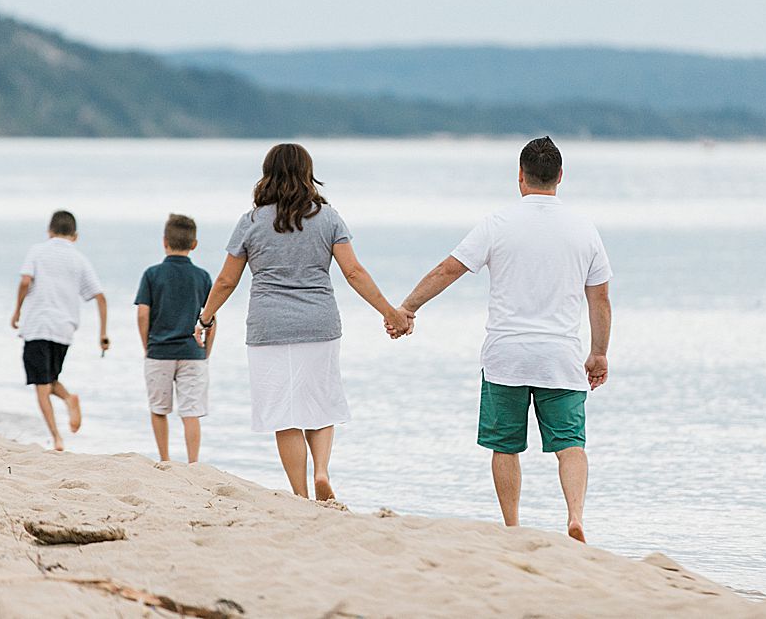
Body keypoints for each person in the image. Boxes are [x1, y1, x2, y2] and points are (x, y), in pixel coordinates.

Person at [388, 136, 612, 542]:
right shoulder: (584, 229)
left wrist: (407, 308)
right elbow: (600, 298)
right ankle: (575, 516)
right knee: (571, 444)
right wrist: (598, 353)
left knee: (505, 446)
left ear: (521, 179)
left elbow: (447, 270)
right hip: (560, 355)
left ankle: (512, 527)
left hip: (506, 355)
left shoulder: (497, 223)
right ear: (560, 177)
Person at [198, 143, 411, 501]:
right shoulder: (327, 217)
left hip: (269, 328)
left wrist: (205, 317)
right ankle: (322, 471)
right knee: (320, 404)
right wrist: (389, 312)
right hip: (319, 323)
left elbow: (225, 280)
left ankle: (300, 494)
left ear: (268, 174)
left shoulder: (251, 222)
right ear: (307, 173)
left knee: (284, 415)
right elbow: (354, 272)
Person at [11, 210, 108, 451]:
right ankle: (69, 399)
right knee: (49, 379)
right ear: (75, 236)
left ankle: (56, 437)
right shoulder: (80, 259)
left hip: (38, 324)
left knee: (41, 385)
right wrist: (102, 334)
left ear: (49, 231)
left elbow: (25, 281)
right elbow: (100, 296)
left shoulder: (37, 251)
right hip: (64, 329)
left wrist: (17, 311)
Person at [135, 214, 215, 464]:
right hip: (193, 353)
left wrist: (146, 345)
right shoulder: (202, 277)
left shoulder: (152, 274)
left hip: (159, 351)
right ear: (194, 245)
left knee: (159, 409)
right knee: (191, 412)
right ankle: (193, 463)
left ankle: (165, 459)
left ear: (164, 242)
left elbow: (142, 313)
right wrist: (206, 351)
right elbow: (210, 317)